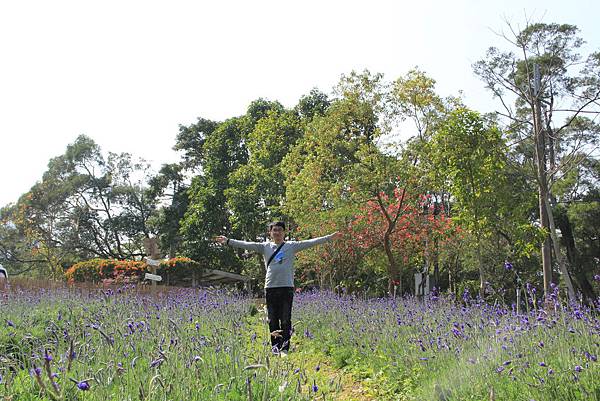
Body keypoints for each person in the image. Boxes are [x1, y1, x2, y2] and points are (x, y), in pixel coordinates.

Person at [216, 221, 341, 354]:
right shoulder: (265, 247)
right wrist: (228, 241)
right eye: (274, 230)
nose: (277, 232)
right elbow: (246, 244)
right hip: (270, 287)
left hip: (286, 287)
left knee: (286, 319)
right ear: (270, 233)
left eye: (280, 230)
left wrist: (329, 238)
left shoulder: (291, 246)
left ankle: (285, 348)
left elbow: (310, 242)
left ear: (284, 232)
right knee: (272, 319)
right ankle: (275, 348)